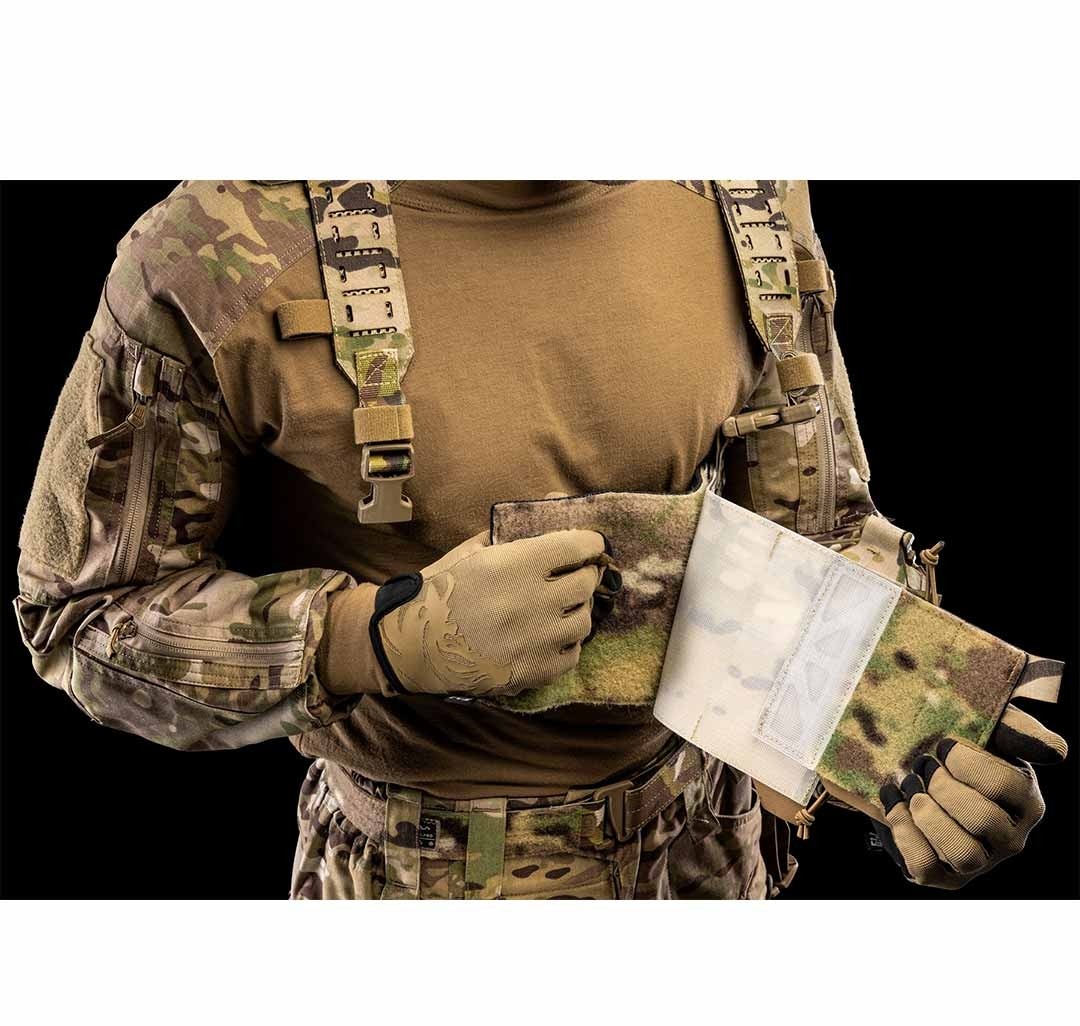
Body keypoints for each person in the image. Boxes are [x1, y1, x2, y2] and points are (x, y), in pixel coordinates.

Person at [14, 180, 1065, 899]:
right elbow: (80, 615)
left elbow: (819, 528)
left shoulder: (743, 198)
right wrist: (381, 636)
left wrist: (916, 757)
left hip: (709, 863)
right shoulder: (221, 254)